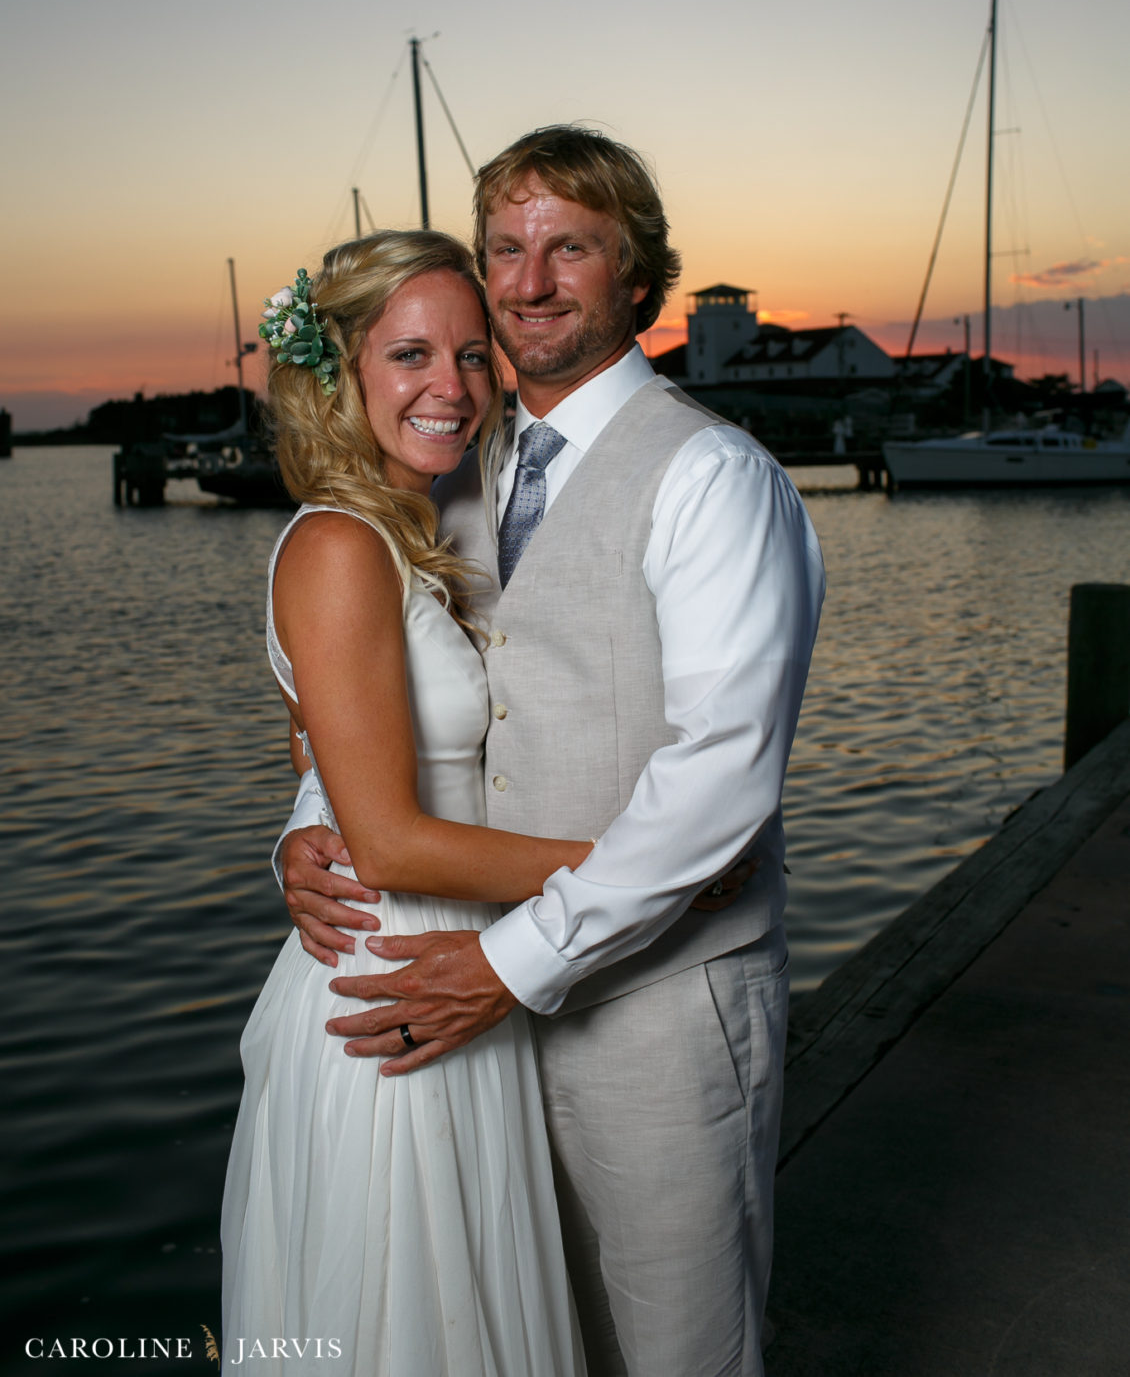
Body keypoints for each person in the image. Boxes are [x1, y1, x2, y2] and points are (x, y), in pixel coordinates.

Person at [279, 127, 826, 1377]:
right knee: (529, 1342)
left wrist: (506, 964)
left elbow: (719, 771)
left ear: (636, 277)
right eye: (504, 250)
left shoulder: (711, 478)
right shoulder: (448, 467)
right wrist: (308, 831)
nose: (527, 284)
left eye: (568, 248)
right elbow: (371, 702)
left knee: (675, 1347)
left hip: (655, 1012)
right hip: (471, 1012)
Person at [221, 232, 591, 1377]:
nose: (453, 387)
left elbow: (316, 758)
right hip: (391, 980)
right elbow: (382, 840)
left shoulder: (407, 530)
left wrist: (300, 832)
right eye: (410, 355)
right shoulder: (340, 545)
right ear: (340, 374)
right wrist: (639, 866)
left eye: (474, 355)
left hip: (447, 966)